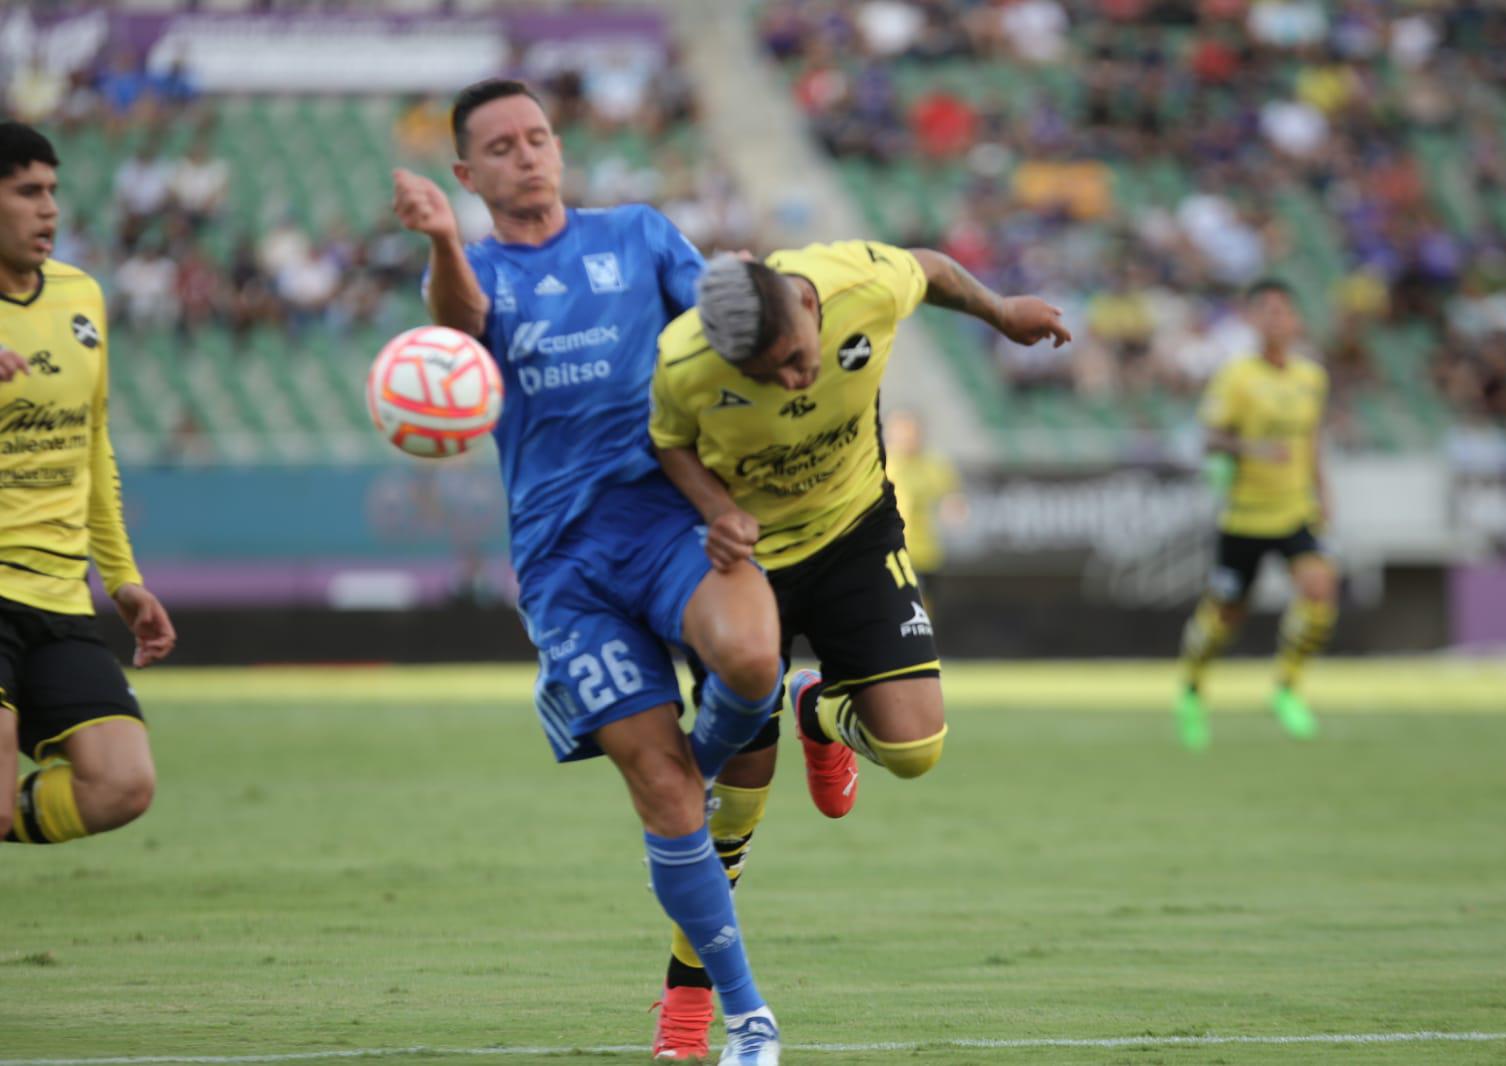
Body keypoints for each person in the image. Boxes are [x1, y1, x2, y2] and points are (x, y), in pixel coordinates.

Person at [390, 80, 782, 1065]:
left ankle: (729, 744)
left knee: (749, 663)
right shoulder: (468, 271)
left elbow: (718, 333)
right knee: (664, 791)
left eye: (539, 137)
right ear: (465, 174)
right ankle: (748, 1019)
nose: (528, 155)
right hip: (568, 567)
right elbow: (458, 323)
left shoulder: (640, 235)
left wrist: (757, 314)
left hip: (671, 523)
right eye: (502, 146)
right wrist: (440, 239)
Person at [644, 243, 1069, 1059]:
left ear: (809, 310)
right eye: (768, 375)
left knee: (917, 748)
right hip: (741, 563)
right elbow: (668, 444)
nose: (793, 383)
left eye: (798, 361)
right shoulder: (685, 359)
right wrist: (710, 506)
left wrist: (1000, 310)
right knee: (737, 802)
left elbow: (935, 268)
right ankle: (687, 1009)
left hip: (852, 531)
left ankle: (818, 706)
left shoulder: (861, 283)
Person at [0, 121, 176, 847]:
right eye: (27, 192)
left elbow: (91, 443)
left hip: (59, 596)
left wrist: (123, 577)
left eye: (54, 192)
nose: (50, 210)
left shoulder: (80, 296)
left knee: (122, 785)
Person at [1174, 279, 1337, 751]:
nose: (1275, 319)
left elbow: (1312, 440)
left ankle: (1286, 688)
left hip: (1294, 512)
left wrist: (1324, 492)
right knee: (1226, 616)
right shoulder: (1237, 377)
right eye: (1265, 311)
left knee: (1320, 588)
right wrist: (1252, 447)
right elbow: (1209, 438)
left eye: (1283, 311)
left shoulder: (1311, 377)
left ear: (1296, 320)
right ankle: (1191, 688)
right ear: (1251, 320)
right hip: (1245, 516)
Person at [883, 408, 964, 615]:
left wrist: (953, 511)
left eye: (911, 432)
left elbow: (952, 500)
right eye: (901, 431)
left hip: (926, 555)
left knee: (920, 615)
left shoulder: (935, 465)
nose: (906, 438)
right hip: (890, 553)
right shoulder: (881, 464)